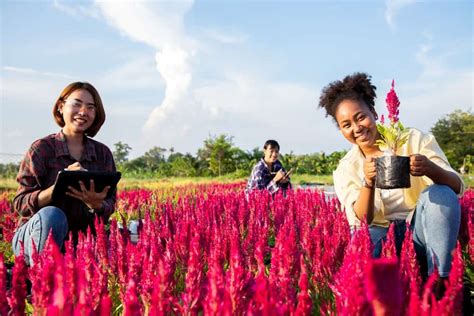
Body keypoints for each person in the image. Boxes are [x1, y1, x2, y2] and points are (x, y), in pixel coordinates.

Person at [318, 72, 464, 279]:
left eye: (361, 117)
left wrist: (430, 168)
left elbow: (457, 187)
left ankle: (441, 279)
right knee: (362, 243)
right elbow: (362, 219)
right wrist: (368, 182)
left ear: (374, 113)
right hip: (379, 234)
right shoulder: (346, 168)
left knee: (440, 193)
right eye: (347, 125)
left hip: (420, 231)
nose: (357, 128)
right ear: (342, 130)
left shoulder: (413, 139)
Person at [12, 82, 117, 265]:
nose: (83, 112)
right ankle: (37, 274)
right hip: (36, 238)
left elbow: (109, 205)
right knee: (53, 215)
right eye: (77, 104)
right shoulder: (42, 149)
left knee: (124, 239)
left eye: (91, 107)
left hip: (78, 241)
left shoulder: (103, 154)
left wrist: (96, 204)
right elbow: (20, 204)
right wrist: (57, 188)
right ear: (61, 107)